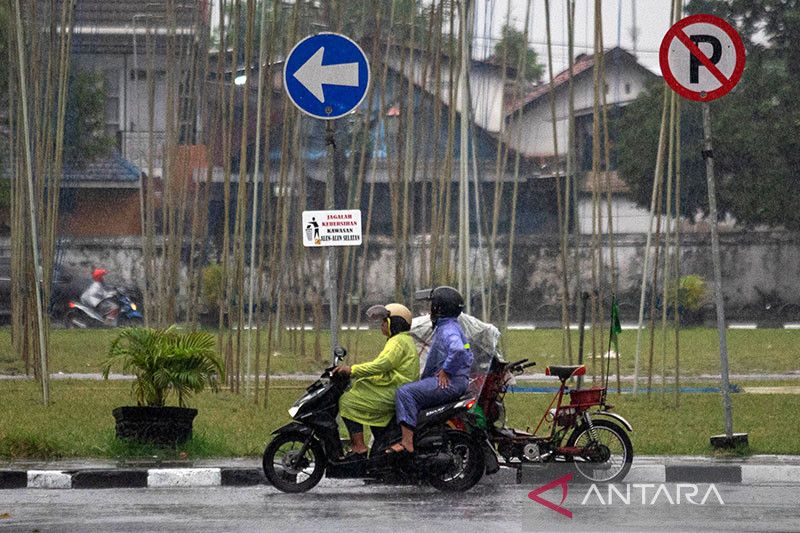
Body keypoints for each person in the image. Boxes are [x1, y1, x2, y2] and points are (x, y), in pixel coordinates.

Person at [391, 286, 473, 453]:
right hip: (457, 381)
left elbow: (458, 350)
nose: (429, 310)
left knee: (405, 392)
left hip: (450, 382)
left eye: (432, 306)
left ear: (439, 308)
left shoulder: (447, 329)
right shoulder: (452, 326)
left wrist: (447, 371)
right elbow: (466, 351)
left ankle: (407, 442)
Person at [331, 303, 419, 458]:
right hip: (394, 386)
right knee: (361, 387)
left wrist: (352, 370)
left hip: (394, 389)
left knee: (347, 400)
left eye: (385, 321)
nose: (382, 325)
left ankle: (359, 447)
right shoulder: (401, 340)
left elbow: (382, 365)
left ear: (395, 323)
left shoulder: (398, 342)